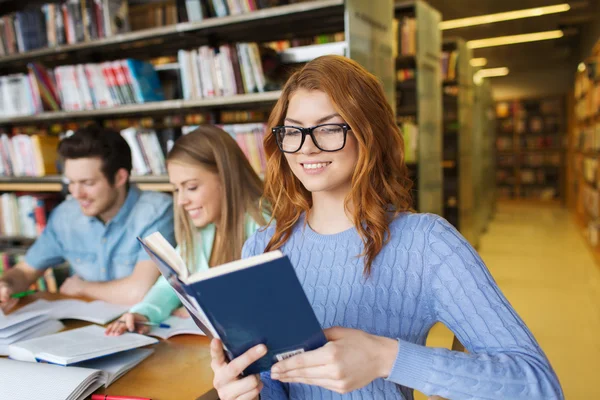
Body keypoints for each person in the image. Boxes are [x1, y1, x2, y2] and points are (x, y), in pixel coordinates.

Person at [209, 55, 564, 400]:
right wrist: (244, 393)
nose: (307, 147)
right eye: (294, 131)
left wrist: (386, 358)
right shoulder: (261, 249)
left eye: (330, 128)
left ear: (370, 133)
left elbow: (538, 386)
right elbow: (273, 384)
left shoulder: (426, 244)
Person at [105, 125, 268, 336]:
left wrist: (202, 307)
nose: (181, 201)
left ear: (226, 178)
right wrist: (144, 314)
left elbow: (263, 303)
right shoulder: (201, 231)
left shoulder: (264, 225)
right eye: (176, 189)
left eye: (191, 187)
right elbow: (171, 285)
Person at [0, 125, 175, 311]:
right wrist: (7, 285)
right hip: (86, 324)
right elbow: (26, 271)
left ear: (119, 178)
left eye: (87, 183)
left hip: (143, 324)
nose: (76, 194)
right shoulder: (65, 215)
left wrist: (82, 287)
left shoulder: (158, 212)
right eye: (71, 183)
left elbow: (139, 292)